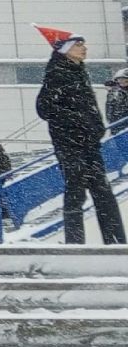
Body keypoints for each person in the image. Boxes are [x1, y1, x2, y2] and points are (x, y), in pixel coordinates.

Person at [33, 26, 126, 245]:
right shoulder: (56, 73)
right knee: (76, 192)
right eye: (78, 45)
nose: (84, 49)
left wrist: (96, 127)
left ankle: (116, 242)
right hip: (69, 144)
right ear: (65, 50)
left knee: (103, 192)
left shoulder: (79, 71)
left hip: (89, 143)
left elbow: (89, 107)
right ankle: (75, 243)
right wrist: (77, 121)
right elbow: (44, 108)